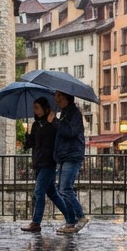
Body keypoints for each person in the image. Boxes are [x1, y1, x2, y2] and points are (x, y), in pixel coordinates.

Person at [20, 97, 68, 232]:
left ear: (44, 108)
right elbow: (31, 144)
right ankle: (71, 216)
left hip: (49, 162)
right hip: (38, 162)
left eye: (37, 107)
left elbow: (58, 137)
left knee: (39, 191)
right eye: (34, 108)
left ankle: (36, 222)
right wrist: (27, 138)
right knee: (52, 193)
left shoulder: (51, 123)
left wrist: (52, 122)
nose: (34, 110)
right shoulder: (36, 125)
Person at [52, 90, 87, 234]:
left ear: (66, 97)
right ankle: (70, 223)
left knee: (65, 189)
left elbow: (70, 132)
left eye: (58, 95)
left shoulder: (74, 113)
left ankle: (81, 217)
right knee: (62, 189)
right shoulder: (65, 113)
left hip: (72, 155)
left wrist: (55, 121)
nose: (56, 98)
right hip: (65, 155)